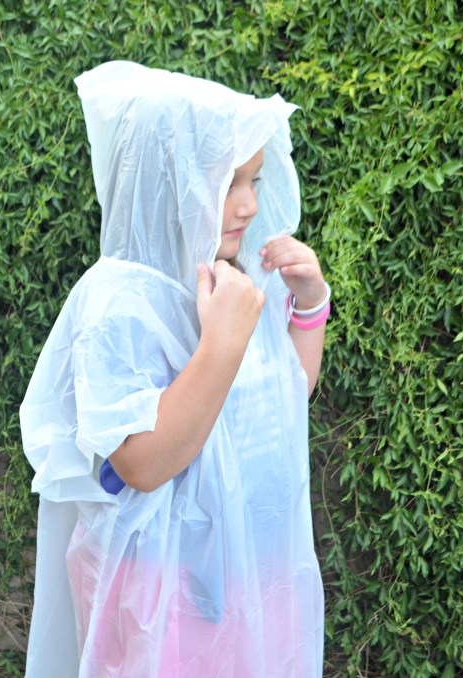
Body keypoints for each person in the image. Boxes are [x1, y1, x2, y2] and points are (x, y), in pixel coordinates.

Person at [20, 61, 328, 677]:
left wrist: (310, 305)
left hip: (249, 570)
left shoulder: (232, 280)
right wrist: (221, 346)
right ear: (173, 181)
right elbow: (141, 461)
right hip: (158, 589)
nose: (247, 205)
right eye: (227, 183)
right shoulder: (118, 306)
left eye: (255, 181)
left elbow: (282, 402)